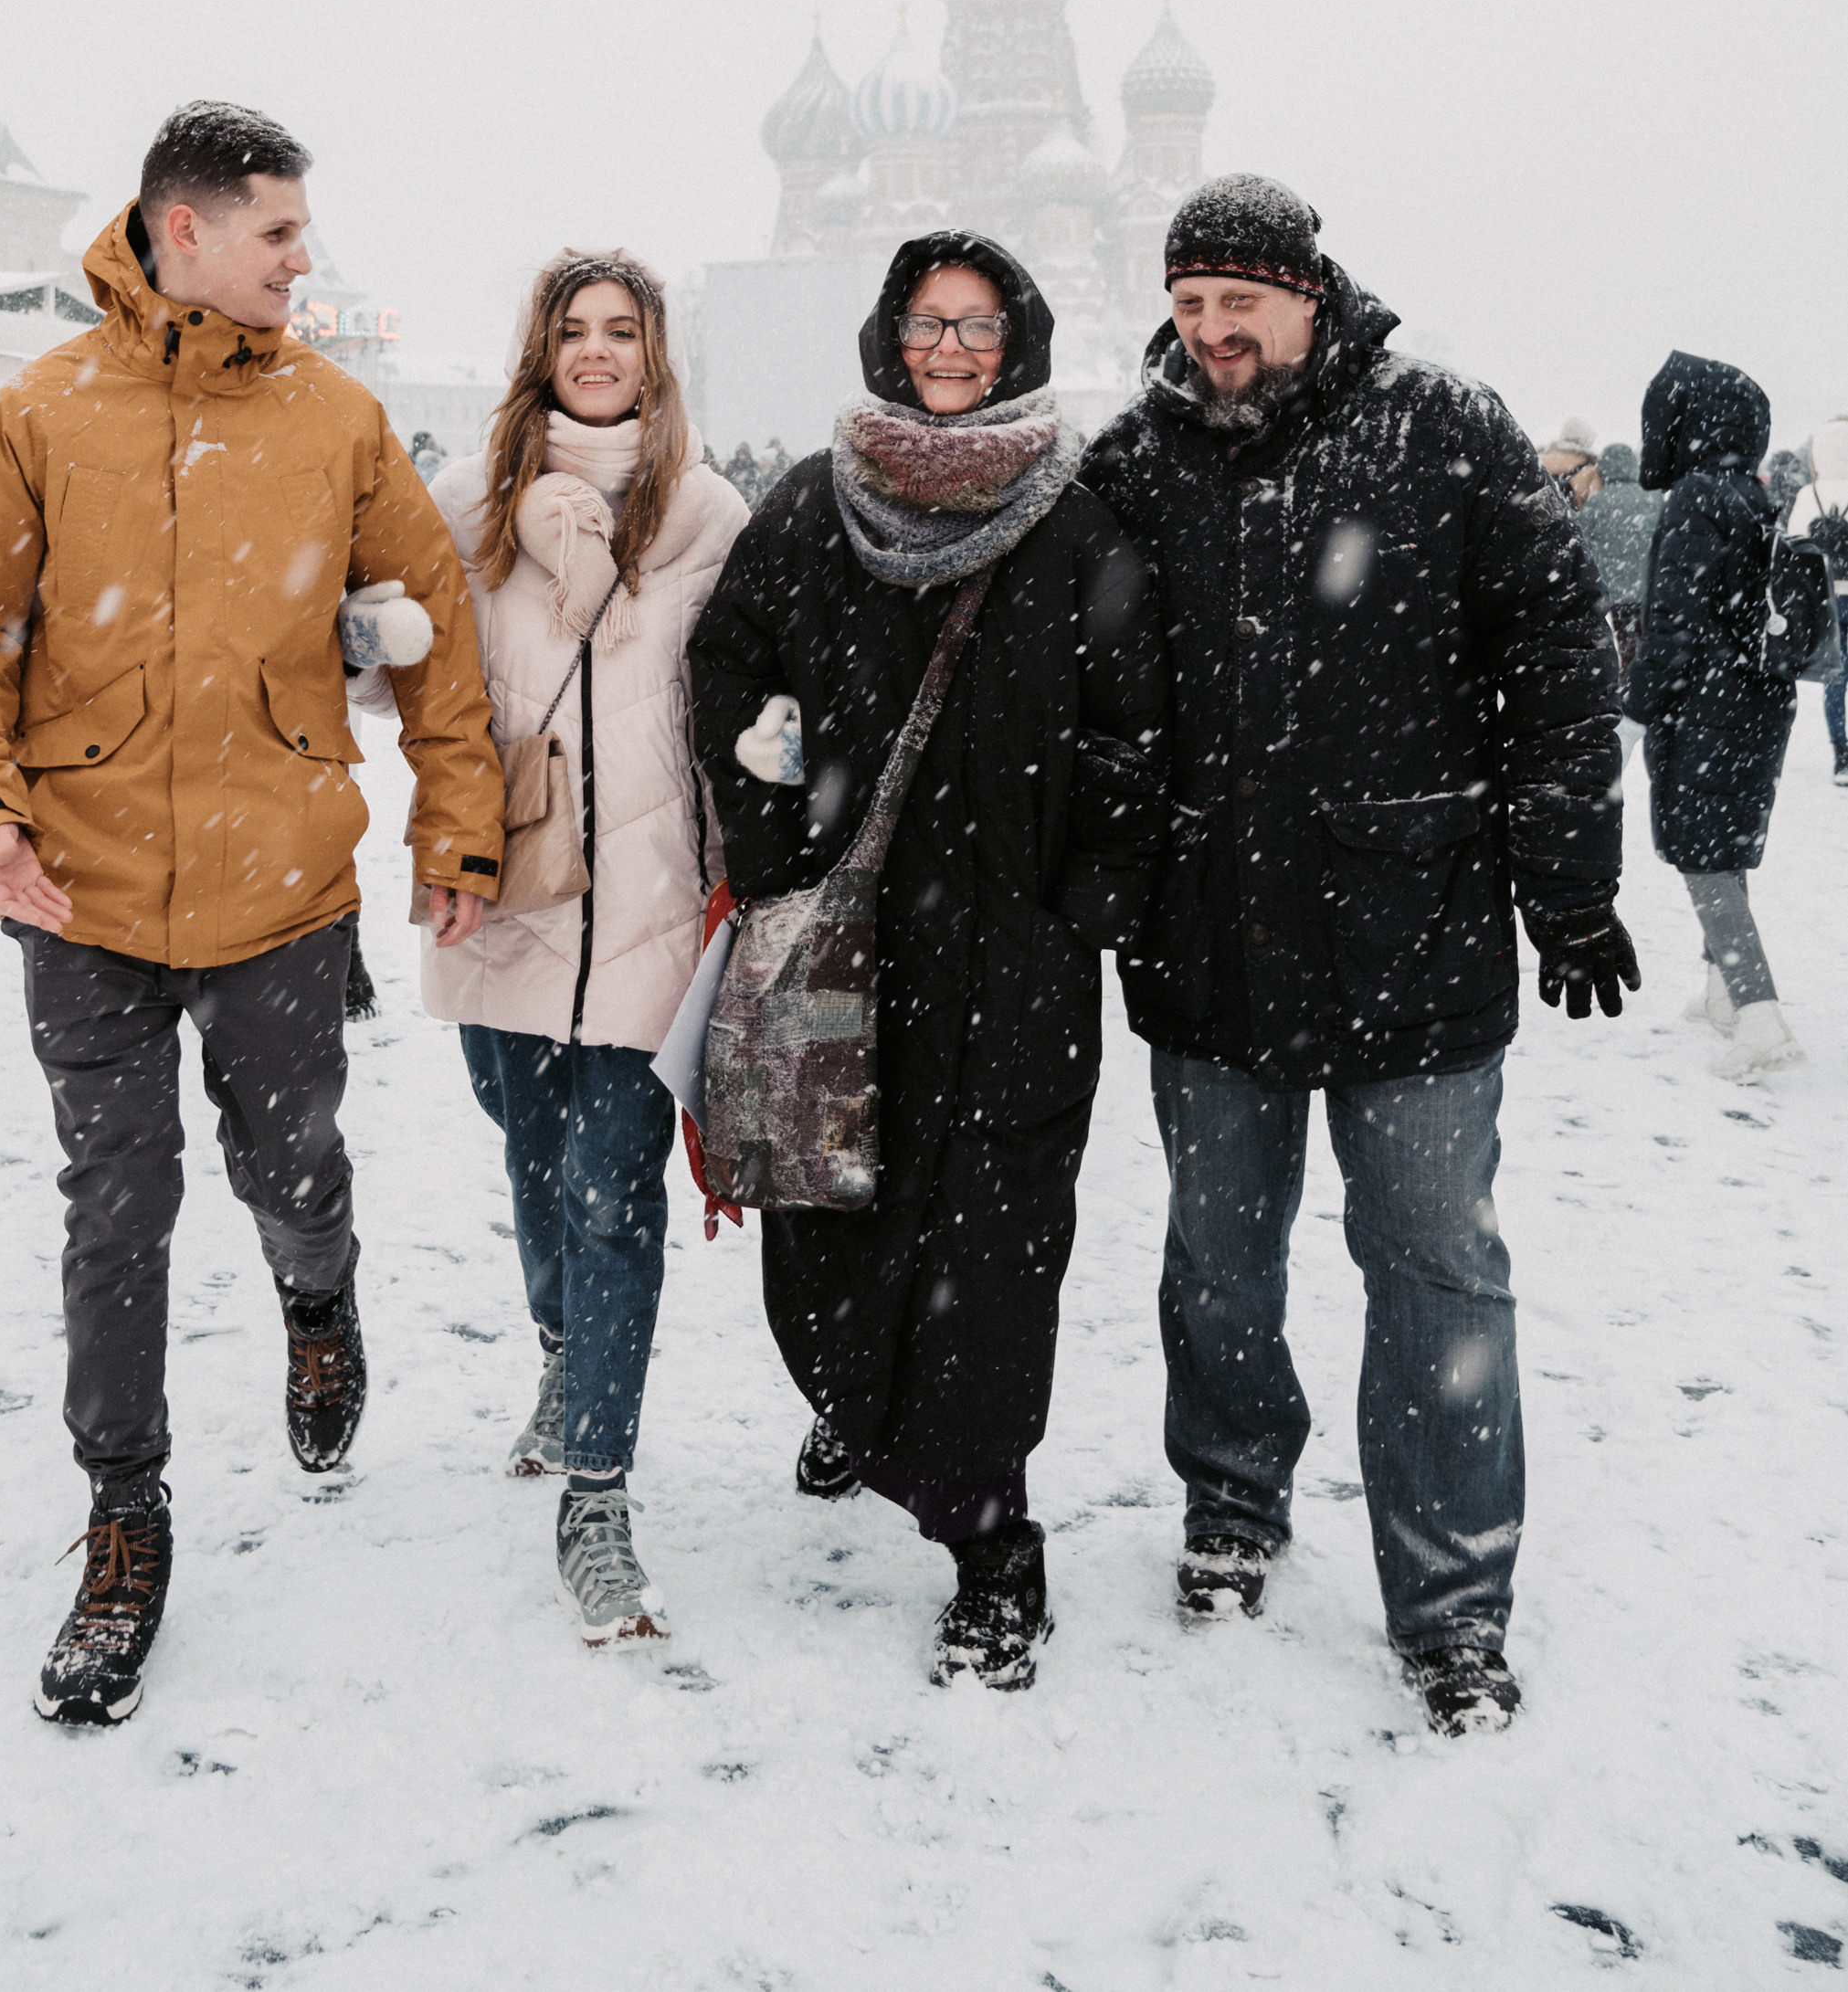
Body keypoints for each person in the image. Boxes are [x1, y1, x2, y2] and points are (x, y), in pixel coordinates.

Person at [0, 100, 504, 1728]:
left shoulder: (337, 420)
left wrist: (456, 829)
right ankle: (124, 1514)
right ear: (185, 227)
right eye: (278, 232)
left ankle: (318, 1301)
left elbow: (436, 635)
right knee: (118, 1210)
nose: (304, 260)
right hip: (81, 894)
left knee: (289, 1165)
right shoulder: (43, 411)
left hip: (282, 891)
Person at [1078, 174, 1627, 1740]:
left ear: (1308, 295)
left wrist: (1567, 886)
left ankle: (1450, 1600)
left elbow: (1553, 659)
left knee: (1437, 1272)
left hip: (1414, 930)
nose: (1212, 329)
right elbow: (1098, 696)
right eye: (1189, 302)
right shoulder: (1135, 461)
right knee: (1217, 1259)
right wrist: (1103, 874)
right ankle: (1231, 1498)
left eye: (1239, 300)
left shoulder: (1440, 430)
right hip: (1209, 935)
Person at [691, 233, 1167, 1692]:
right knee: (831, 1216)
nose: (948, 349)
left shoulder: (1074, 527)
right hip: (846, 940)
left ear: (1017, 342)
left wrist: (1080, 902)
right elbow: (728, 667)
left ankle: (988, 1534)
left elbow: (1133, 731)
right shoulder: (812, 506)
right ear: (886, 337)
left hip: (1011, 962)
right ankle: (860, 1404)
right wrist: (776, 834)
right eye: (924, 323)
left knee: (993, 1252)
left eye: (975, 325)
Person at [414, 251, 744, 1647]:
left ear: (654, 354)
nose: (597, 352)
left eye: (621, 331)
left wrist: (757, 850)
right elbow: (409, 683)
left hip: (655, 909)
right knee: (532, 1155)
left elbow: (744, 701)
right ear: (539, 351)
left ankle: (597, 1494)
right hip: (513, 894)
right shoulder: (469, 508)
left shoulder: (706, 514)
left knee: (614, 1194)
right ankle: (560, 1351)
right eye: (573, 330)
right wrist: (368, 634)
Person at [1626, 353, 1800, 1075]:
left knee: (1703, 855)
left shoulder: (1695, 496)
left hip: (1707, 701)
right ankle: (1723, 990)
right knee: (1721, 842)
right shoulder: (1750, 493)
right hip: (1755, 697)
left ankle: (1759, 1017)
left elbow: (1673, 619)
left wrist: (1635, 708)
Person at [1787, 416, 1848, 785]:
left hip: (1826, 596)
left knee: (1836, 680)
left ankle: (1842, 755)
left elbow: (1794, 545)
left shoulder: (1809, 495)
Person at [1574, 439, 1662, 689]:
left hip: (1616, 587)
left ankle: (1628, 684)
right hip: (1649, 587)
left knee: (1626, 642)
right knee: (1648, 639)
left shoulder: (1597, 503)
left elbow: (1581, 542)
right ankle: (1647, 684)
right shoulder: (1654, 497)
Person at [1539, 416, 1601, 508]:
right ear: (1588, 441)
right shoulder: (1590, 470)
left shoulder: (1540, 462)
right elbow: (1595, 506)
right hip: (1570, 515)